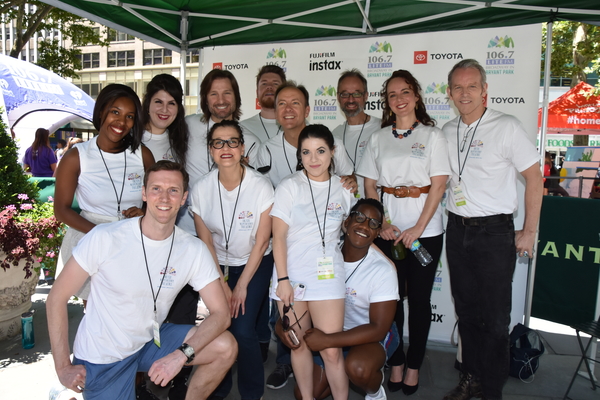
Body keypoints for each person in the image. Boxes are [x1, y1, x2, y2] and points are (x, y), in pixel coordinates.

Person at [47, 160, 237, 400]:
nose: (165, 197)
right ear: (144, 193)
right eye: (156, 188)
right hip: (104, 356)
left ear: (184, 198)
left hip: (150, 342)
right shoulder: (106, 237)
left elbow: (221, 314)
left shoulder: (193, 249)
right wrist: (63, 367)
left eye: (173, 190)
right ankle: (64, 394)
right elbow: (56, 298)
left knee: (225, 346)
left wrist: (180, 356)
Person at [442, 59, 543, 400]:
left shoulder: (507, 126)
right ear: (449, 92)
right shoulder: (446, 131)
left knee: (496, 321)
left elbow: (534, 178)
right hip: (456, 231)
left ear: (485, 91)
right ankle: (470, 379)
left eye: (472, 86)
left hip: (495, 234)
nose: (465, 93)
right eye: (458, 87)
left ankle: (492, 392)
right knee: (467, 313)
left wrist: (529, 231)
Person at [257, 82, 357, 390]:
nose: (314, 159)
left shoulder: (345, 188)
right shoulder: (289, 186)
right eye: (306, 152)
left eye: (321, 151)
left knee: (330, 349)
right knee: (297, 344)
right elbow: (279, 236)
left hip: (328, 277)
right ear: (299, 155)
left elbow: (354, 232)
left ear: (333, 152)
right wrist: (283, 280)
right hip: (293, 277)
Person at [356, 70, 450, 396]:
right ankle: (394, 361)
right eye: (392, 94)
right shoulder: (379, 138)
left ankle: (413, 366)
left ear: (416, 95)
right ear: (388, 102)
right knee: (391, 302)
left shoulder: (433, 136)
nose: (399, 99)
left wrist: (418, 228)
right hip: (387, 234)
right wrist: (380, 225)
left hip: (426, 232)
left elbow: (438, 185)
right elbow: (369, 184)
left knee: (420, 302)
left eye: (405, 91)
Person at [279, 198, 399, 400]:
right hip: (332, 335)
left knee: (359, 368)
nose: (364, 226)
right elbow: (298, 302)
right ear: (346, 222)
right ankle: (339, 369)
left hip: (367, 337)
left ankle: (375, 393)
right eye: (359, 217)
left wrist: (326, 340)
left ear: (378, 233)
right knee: (305, 393)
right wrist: (283, 329)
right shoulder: (323, 254)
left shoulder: (382, 270)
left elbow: (378, 328)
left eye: (373, 223)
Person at [190, 120, 274, 400]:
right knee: (219, 324)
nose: (225, 148)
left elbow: (262, 242)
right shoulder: (201, 189)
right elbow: (206, 242)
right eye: (218, 142)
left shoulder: (261, 186)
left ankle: (252, 393)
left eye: (232, 142)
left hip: (256, 262)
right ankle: (218, 387)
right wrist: (222, 284)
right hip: (218, 266)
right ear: (210, 149)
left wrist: (240, 287)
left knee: (242, 327)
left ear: (242, 147)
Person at [53, 84, 155, 301]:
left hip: (131, 240)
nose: (121, 122)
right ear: (101, 112)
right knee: (95, 312)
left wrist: (144, 212)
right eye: (115, 112)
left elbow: (155, 199)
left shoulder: (143, 155)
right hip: (89, 237)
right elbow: (61, 209)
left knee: (132, 308)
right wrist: (101, 234)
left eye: (129, 116)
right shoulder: (76, 157)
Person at [332, 69, 381, 198]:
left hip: (378, 208)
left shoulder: (382, 129)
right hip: (345, 210)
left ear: (366, 96)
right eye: (345, 94)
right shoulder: (334, 135)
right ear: (338, 97)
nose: (351, 99)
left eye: (357, 94)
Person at [141, 73, 189, 167]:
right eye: (158, 102)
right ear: (147, 104)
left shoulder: (180, 139)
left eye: (171, 103)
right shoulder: (132, 139)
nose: (164, 109)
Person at [240, 65, 286, 143]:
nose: (269, 87)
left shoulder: (299, 125)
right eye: (264, 84)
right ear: (257, 92)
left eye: (275, 84)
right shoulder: (242, 128)